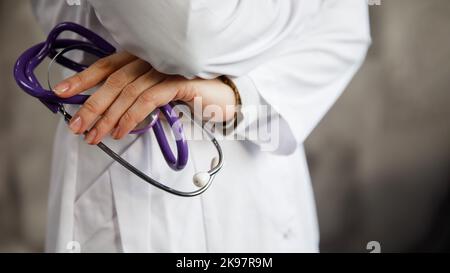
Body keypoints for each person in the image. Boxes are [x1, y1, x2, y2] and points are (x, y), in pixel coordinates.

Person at [31, 0, 371, 252]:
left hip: (260, 178)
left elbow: (347, 27)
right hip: (130, 176)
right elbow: (187, 33)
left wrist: (238, 97)